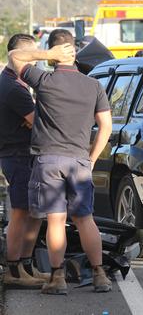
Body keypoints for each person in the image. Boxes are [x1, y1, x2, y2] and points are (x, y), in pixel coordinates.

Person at [8, 29, 113, 295]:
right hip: (79, 160)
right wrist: (90, 159)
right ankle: (100, 274)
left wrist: (45, 54)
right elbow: (106, 127)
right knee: (85, 218)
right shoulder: (94, 85)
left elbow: (14, 55)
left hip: (49, 160)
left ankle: (57, 278)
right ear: (75, 53)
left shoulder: (43, 79)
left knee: (56, 220)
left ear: (55, 53)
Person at [0, 34, 50, 288]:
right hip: (17, 155)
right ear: (19, 56)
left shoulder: (15, 83)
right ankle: (13, 271)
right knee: (20, 212)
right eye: (32, 56)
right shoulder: (13, 87)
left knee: (34, 213)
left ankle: (26, 265)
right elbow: (36, 124)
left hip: (21, 154)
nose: (35, 62)